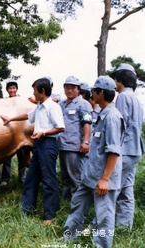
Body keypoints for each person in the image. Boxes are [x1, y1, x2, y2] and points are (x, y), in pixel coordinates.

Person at [62, 76, 125, 248]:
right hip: (90, 177)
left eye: (94, 91)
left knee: (104, 217)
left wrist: (105, 179)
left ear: (101, 93)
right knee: (77, 207)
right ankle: (67, 239)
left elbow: (113, 152)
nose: (91, 94)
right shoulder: (101, 114)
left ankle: (102, 245)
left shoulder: (112, 117)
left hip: (103, 180)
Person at [1, 77, 65, 226]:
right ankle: (27, 209)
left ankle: (50, 214)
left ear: (42, 91)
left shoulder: (53, 107)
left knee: (49, 179)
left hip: (48, 144)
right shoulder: (40, 106)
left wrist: (44, 133)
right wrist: (10, 119)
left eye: (35, 90)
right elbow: (28, 116)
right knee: (31, 178)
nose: (33, 93)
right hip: (38, 145)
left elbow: (61, 127)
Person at [111, 63, 145, 230]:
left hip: (124, 151)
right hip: (135, 150)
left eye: (115, 79)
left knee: (112, 189)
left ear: (120, 80)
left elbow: (119, 125)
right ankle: (124, 227)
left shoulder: (123, 97)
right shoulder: (137, 99)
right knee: (126, 191)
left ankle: (102, 226)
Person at [58, 76, 92, 201]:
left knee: (75, 177)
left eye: (73, 88)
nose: (69, 90)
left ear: (78, 89)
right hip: (62, 145)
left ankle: (78, 205)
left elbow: (87, 124)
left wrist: (86, 142)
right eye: (67, 87)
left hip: (75, 146)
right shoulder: (61, 104)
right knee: (65, 177)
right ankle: (66, 203)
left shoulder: (83, 104)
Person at [0, 80, 27, 185]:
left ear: (17, 89)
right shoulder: (5, 102)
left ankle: (22, 178)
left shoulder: (22, 101)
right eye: (10, 88)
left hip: (21, 132)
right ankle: (5, 179)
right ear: (7, 90)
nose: (12, 90)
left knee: (22, 157)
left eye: (14, 88)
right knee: (7, 158)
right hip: (8, 132)